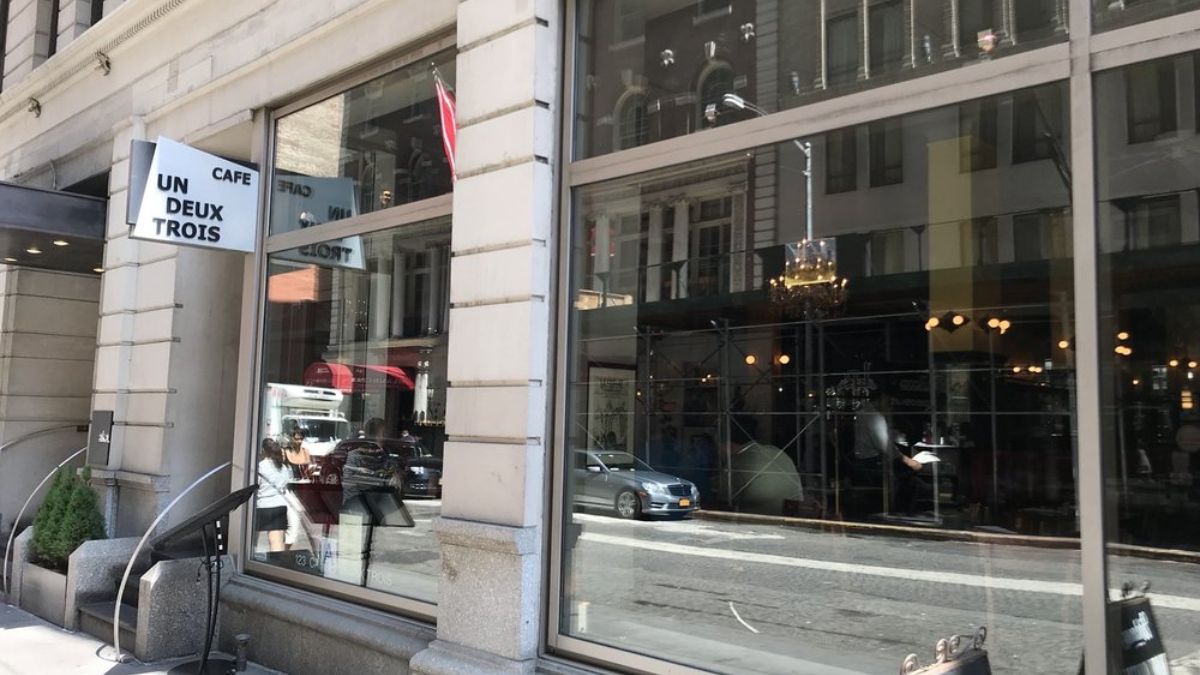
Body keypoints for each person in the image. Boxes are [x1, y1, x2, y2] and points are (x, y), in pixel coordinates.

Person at [256, 438, 290, 554]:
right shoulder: (283, 467)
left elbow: (256, 485)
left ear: (263, 450)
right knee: (278, 541)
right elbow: (285, 485)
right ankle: (278, 563)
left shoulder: (261, 467)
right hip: (280, 505)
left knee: (254, 542)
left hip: (265, 505)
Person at [283, 431, 312, 549]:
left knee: (302, 523)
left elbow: (308, 471)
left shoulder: (305, 452)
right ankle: (284, 551)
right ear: (291, 439)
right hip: (289, 490)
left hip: (303, 490)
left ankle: (285, 551)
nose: (299, 441)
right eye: (296, 438)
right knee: (292, 522)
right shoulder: (286, 452)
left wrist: (310, 471)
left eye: (301, 438)